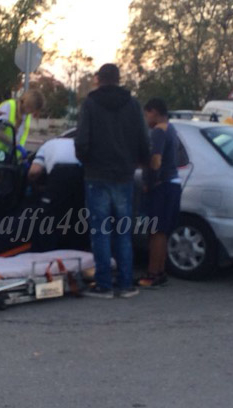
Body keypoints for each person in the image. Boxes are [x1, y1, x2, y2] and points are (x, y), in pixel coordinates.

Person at [75, 63, 150, 298]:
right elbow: (143, 137)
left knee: (100, 232)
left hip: (96, 174)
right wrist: (138, 162)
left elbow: (81, 140)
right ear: (119, 79)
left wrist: (86, 160)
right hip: (124, 175)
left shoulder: (90, 104)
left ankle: (104, 284)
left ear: (99, 79)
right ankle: (126, 284)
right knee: (123, 231)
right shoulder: (133, 104)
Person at [137, 98, 182, 288]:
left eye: (147, 114)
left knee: (155, 232)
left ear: (154, 112)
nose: (146, 118)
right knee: (162, 231)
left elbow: (156, 160)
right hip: (172, 184)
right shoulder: (171, 129)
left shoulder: (158, 131)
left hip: (161, 185)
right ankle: (160, 271)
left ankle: (152, 273)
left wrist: (149, 182)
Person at [28, 137, 85, 252]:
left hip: (59, 175)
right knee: (77, 215)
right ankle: (74, 250)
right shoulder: (77, 143)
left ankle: (44, 250)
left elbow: (35, 171)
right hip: (81, 177)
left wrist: (32, 183)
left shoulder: (47, 145)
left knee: (47, 216)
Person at [0, 90, 44, 165]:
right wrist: (15, 145)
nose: (33, 113)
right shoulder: (8, 106)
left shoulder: (26, 116)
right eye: (33, 109)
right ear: (29, 105)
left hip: (4, 156)